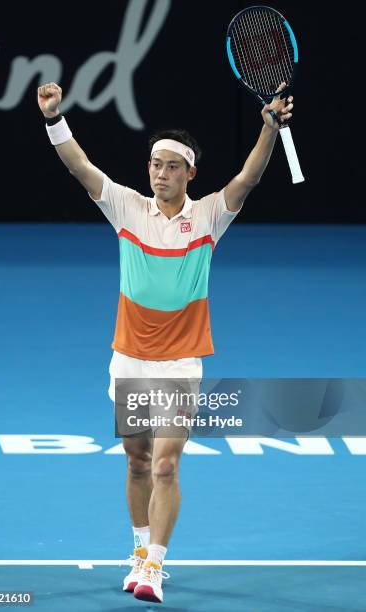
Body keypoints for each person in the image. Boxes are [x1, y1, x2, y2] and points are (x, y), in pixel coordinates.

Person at [37, 81, 294, 604]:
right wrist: (53, 118)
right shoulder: (127, 209)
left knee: (166, 463)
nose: (160, 173)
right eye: (155, 164)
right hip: (129, 357)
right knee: (136, 460)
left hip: (180, 361)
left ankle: (154, 565)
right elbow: (79, 166)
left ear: (190, 173)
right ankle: (137, 549)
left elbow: (247, 179)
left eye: (172, 165)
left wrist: (268, 127)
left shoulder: (208, 218)